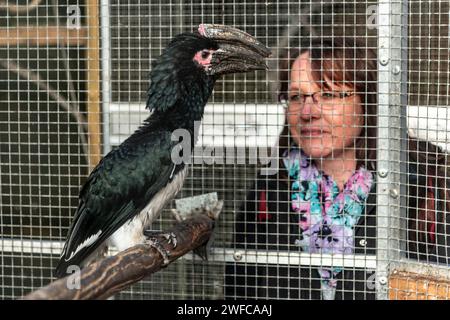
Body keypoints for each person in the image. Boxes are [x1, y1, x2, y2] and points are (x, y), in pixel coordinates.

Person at [224, 37, 450, 300]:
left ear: (368, 102)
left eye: (328, 95)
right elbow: (240, 288)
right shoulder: (272, 183)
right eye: (296, 96)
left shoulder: (423, 182)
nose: (307, 112)